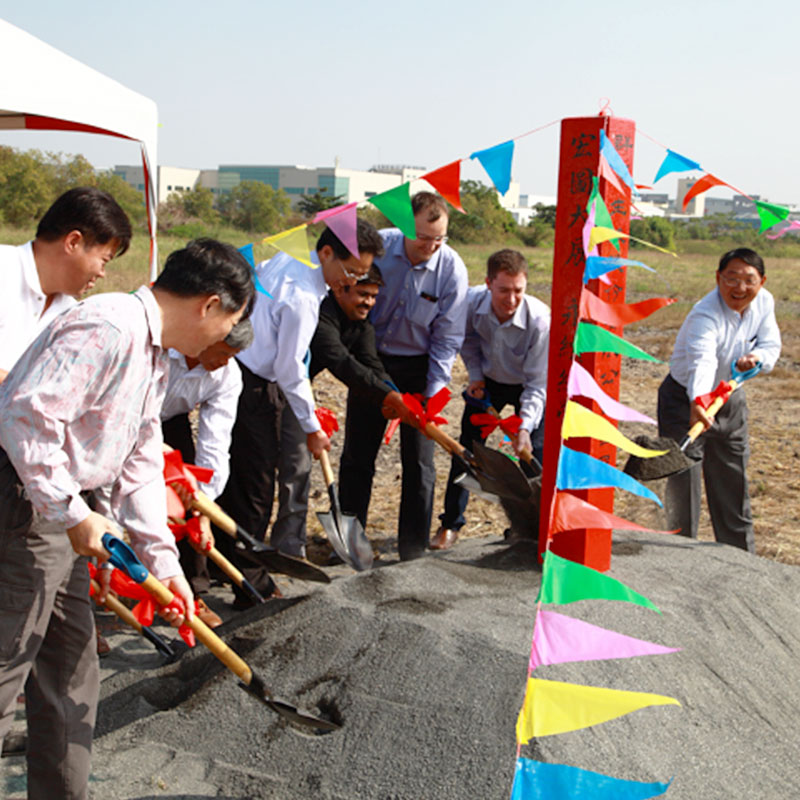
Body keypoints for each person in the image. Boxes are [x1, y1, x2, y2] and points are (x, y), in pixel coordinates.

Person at [0, 237, 254, 799]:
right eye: (226, 324)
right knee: (7, 662)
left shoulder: (154, 354)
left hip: (63, 510)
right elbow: (24, 416)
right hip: (25, 500)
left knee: (71, 671)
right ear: (209, 305)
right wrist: (70, 510)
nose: (220, 342)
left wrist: (167, 568)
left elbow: (140, 461)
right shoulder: (109, 327)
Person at [216, 219, 384, 606]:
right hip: (254, 385)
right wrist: (312, 427)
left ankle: (226, 568)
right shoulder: (305, 297)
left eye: (361, 273)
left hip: (247, 372)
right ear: (326, 253)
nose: (354, 280)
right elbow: (291, 369)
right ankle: (250, 585)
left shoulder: (289, 260)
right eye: (351, 271)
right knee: (256, 487)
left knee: (242, 478)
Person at [338, 191, 469, 560]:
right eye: (424, 237)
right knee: (357, 456)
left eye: (439, 239)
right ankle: (350, 542)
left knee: (420, 461)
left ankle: (412, 548)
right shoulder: (379, 249)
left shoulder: (451, 269)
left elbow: (447, 337)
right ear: (405, 228)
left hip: (419, 367)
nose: (431, 246)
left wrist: (434, 393)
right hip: (371, 359)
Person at [658, 247, 781, 553]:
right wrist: (698, 401)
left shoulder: (764, 302)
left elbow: (770, 343)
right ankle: (678, 558)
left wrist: (757, 357)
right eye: (732, 278)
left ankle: (740, 558)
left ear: (762, 281)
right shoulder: (705, 313)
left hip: (730, 398)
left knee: (732, 481)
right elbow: (703, 360)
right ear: (718, 278)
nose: (740, 288)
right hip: (684, 400)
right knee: (682, 484)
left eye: (749, 280)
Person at [433, 248, 550, 550]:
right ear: (488, 283)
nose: (511, 300)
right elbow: (467, 340)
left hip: (527, 386)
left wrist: (524, 427)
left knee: (532, 456)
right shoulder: (471, 303)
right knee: (468, 450)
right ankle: (451, 525)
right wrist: (475, 375)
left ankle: (527, 530)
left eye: (518, 291)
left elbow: (538, 383)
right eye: (503, 291)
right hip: (488, 383)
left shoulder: (540, 321)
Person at [161, 318, 254, 627]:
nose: (224, 362)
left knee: (191, 498)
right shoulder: (165, 349)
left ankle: (193, 590)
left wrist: (203, 509)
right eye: (223, 352)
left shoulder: (227, 375)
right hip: (124, 417)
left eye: (232, 355)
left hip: (171, 421)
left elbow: (214, 446)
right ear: (207, 336)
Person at [0, 186, 132, 382]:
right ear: (73, 242)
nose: (102, 273)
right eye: (104, 260)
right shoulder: (5, 268)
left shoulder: (70, 313)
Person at [309, 264, 414, 420]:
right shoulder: (319, 314)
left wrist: (393, 394)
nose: (369, 302)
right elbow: (340, 361)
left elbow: (371, 363)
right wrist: (387, 395)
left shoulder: (360, 323)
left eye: (373, 296)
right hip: (273, 381)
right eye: (363, 294)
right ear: (339, 290)